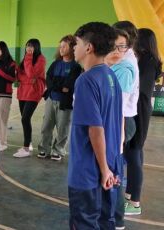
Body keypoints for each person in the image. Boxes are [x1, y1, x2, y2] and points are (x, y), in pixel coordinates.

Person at [68, 22, 122, 229]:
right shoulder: (111, 76)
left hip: (88, 172)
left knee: (84, 223)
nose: (74, 47)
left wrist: (103, 169)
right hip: (110, 165)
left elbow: (95, 129)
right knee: (105, 221)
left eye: (77, 43)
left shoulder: (86, 80)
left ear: (89, 47)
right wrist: (110, 168)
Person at [124, 28, 162, 216]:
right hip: (138, 108)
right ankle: (130, 193)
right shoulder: (146, 60)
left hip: (139, 110)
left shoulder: (148, 61)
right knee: (134, 154)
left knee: (134, 153)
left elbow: (141, 91)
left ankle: (135, 202)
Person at [105, 28, 137, 230]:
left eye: (122, 46)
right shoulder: (112, 65)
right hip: (113, 125)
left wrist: (117, 142)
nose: (117, 50)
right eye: (113, 45)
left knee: (114, 174)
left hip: (119, 125)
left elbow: (119, 108)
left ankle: (117, 220)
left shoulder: (123, 69)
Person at [36, 35, 82, 161]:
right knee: (46, 125)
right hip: (51, 99)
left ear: (72, 48)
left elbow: (70, 84)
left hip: (65, 102)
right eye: (60, 46)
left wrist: (59, 85)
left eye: (64, 46)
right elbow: (49, 80)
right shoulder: (55, 64)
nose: (61, 49)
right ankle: (44, 149)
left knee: (63, 127)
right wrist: (60, 86)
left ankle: (58, 150)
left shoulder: (76, 66)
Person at [12, 39, 46, 158]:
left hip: (34, 92)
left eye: (31, 46)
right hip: (23, 92)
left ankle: (26, 148)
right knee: (25, 119)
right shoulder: (27, 58)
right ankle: (29, 143)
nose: (28, 48)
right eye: (27, 46)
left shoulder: (40, 59)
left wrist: (29, 57)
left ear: (36, 47)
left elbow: (31, 74)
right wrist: (26, 77)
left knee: (25, 118)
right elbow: (20, 76)